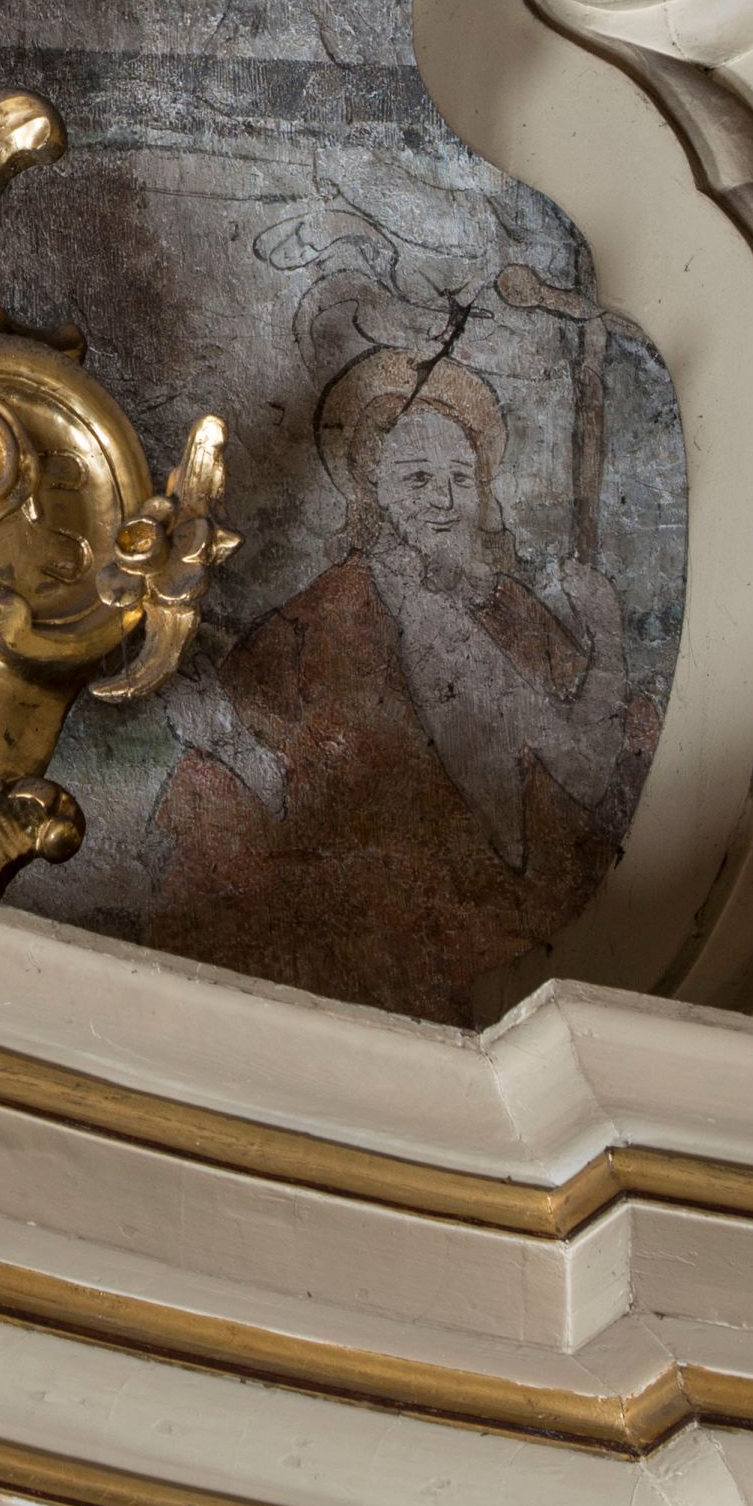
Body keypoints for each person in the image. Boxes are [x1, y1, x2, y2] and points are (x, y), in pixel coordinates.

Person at [149, 347, 645, 1018]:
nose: (445, 499)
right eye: (417, 478)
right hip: (387, 925)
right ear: (373, 488)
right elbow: (254, 777)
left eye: (461, 477)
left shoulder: (511, 606)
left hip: (520, 917)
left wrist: (605, 637)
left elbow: (585, 768)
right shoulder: (314, 622)